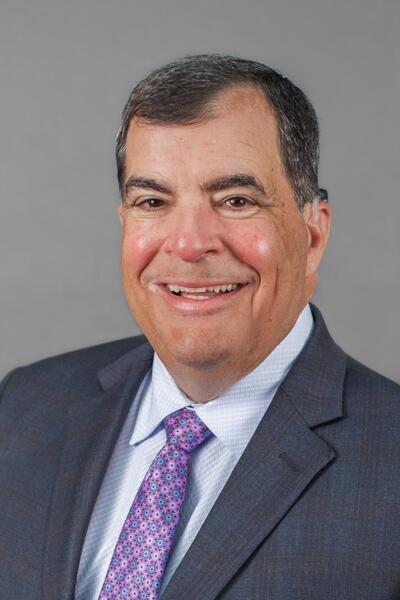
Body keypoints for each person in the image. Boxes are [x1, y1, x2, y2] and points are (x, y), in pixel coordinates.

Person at [0, 54, 399, 600]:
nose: (188, 245)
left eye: (236, 200)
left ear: (312, 235)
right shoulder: (22, 408)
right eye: (152, 201)